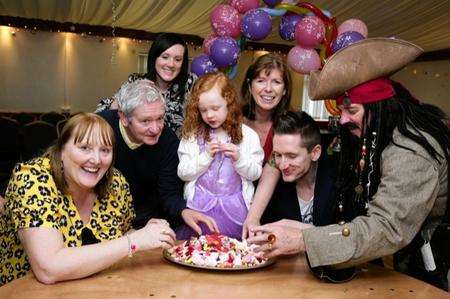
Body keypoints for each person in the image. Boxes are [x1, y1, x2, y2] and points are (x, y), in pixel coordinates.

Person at [247, 38, 449, 290]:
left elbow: (387, 228)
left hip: (429, 265)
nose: (342, 120)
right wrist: (305, 229)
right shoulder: (379, 137)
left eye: (351, 110)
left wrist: (304, 239)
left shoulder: (412, 149)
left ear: (378, 109)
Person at [0, 113, 176, 286]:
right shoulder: (33, 180)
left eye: (105, 150)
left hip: (90, 288)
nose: (96, 160)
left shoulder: (115, 183)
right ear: (61, 150)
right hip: (22, 291)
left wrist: (145, 233)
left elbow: (119, 236)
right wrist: (134, 241)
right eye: (85, 148)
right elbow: (48, 268)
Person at [98, 79, 217, 234]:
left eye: (160, 118)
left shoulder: (168, 141)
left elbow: (168, 192)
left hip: (147, 224)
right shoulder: (101, 127)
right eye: (145, 121)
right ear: (124, 118)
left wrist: (183, 211)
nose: (155, 129)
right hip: (102, 219)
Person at [176, 72, 264, 239]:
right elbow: (183, 172)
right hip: (199, 208)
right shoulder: (192, 137)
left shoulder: (248, 136)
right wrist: (205, 157)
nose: (209, 115)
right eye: (203, 110)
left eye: (215, 108)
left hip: (235, 210)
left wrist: (239, 159)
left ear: (229, 104)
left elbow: (255, 174)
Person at [96, 32, 197, 137]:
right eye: (165, 57)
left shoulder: (191, 84)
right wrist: (127, 94)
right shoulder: (136, 81)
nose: (171, 64)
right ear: (154, 58)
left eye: (177, 59)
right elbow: (101, 113)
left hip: (180, 151)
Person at [240, 53, 293, 238]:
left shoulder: (288, 124)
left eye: (276, 82)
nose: (268, 89)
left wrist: (253, 218)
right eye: (261, 80)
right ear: (249, 85)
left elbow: (272, 170)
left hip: (273, 209)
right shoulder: (232, 119)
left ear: (285, 89)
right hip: (233, 206)